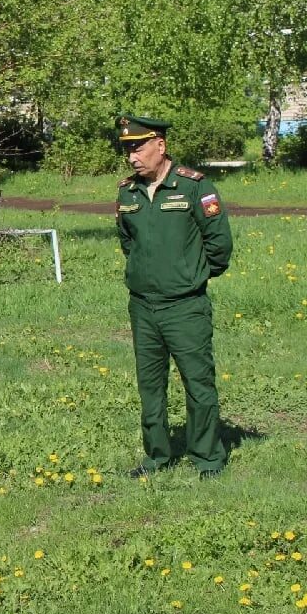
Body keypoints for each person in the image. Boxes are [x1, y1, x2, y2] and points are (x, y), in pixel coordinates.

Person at [114, 115, 234, 480]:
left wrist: (189, 276)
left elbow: (219, 247)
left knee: (197, 382)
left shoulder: (195, 187)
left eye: (138, 147)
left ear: (160, 146)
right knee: (150, 384)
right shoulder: (127, 192)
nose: (132, 156)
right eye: (127, 149)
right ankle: (156, 457)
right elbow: (127, 242)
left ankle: (207, 457)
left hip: (185, 306)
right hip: (143, 306)